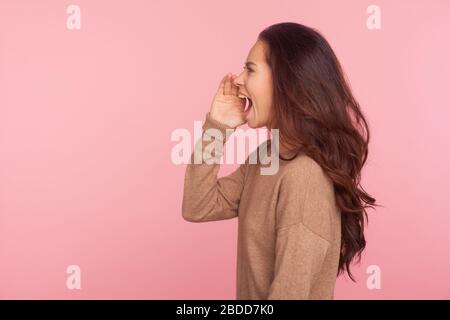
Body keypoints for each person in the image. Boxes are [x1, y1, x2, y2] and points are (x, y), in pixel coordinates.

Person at [182, 22, 377, 300]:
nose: (237, 79)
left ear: (286, 81)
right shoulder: (267, 157)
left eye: (250, 69)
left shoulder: (304, 177)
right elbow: (198, 205)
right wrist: (217, 127)